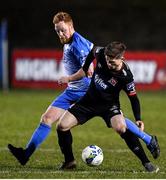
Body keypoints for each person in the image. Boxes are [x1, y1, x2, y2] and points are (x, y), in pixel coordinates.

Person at [56, 41, 160, 172]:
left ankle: (146, 163)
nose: (109, 64)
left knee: (121, 127)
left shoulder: (126, 77)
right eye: (107, 61)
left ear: (122, 58)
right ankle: (69, 161)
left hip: (109, 106)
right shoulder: (100, 53)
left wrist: (138, 118)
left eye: (113, 62)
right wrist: (72, 77)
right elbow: (89, 60)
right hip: (88, 101)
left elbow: (133, 98)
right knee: (62, 126)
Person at [8, 11, 94, 165]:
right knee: (47, 118)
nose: (60, 34)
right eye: (57, 31)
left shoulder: (78, 44)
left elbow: (88, 71)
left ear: (71, 26)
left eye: (63, 30)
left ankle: (147, 139)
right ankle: (25, 155)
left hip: (86, 92)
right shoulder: (68, 41)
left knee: (115, 118)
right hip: (72, 91)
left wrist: (69, 77)